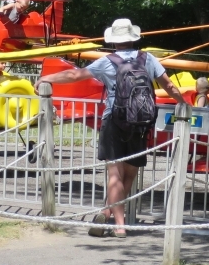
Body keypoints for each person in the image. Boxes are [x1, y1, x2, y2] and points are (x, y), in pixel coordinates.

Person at [38, 17, 186, 237]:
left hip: (114, 121)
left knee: (114, 175)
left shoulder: (107, 61)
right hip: (141, 122)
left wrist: (45, 78)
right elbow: (170, 85)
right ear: (133, 38)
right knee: (130, 173)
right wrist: (184, 104)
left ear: (114, 41)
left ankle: (118, 224)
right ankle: (108, 214)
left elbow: (74, 75)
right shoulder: (148, 59)